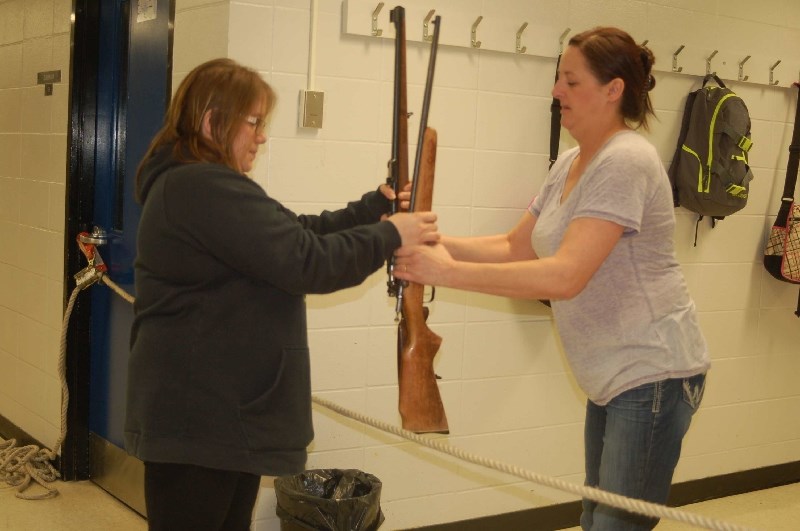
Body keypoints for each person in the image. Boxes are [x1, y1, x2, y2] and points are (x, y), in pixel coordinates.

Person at [393, 27, 710, 531]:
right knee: (595, 517)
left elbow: (564, 277)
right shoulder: (568, 163)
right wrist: (422, 241)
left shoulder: (626, 160)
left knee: (614, 525)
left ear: (613, 90)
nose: (556, 91)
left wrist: (447, 273)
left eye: (570, 80)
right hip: (611, 375)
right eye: (558, 79)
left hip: (652, 371)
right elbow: (514, 246)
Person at [125, 58, 439, 531]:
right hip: (201, 419)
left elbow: (294, 233)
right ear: (212, 121)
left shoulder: (205, 185)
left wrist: (374, 210)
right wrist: (391, 235)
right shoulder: (201, 186)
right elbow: (307, 261)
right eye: (253, 123)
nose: (261, 136)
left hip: (218, 417)